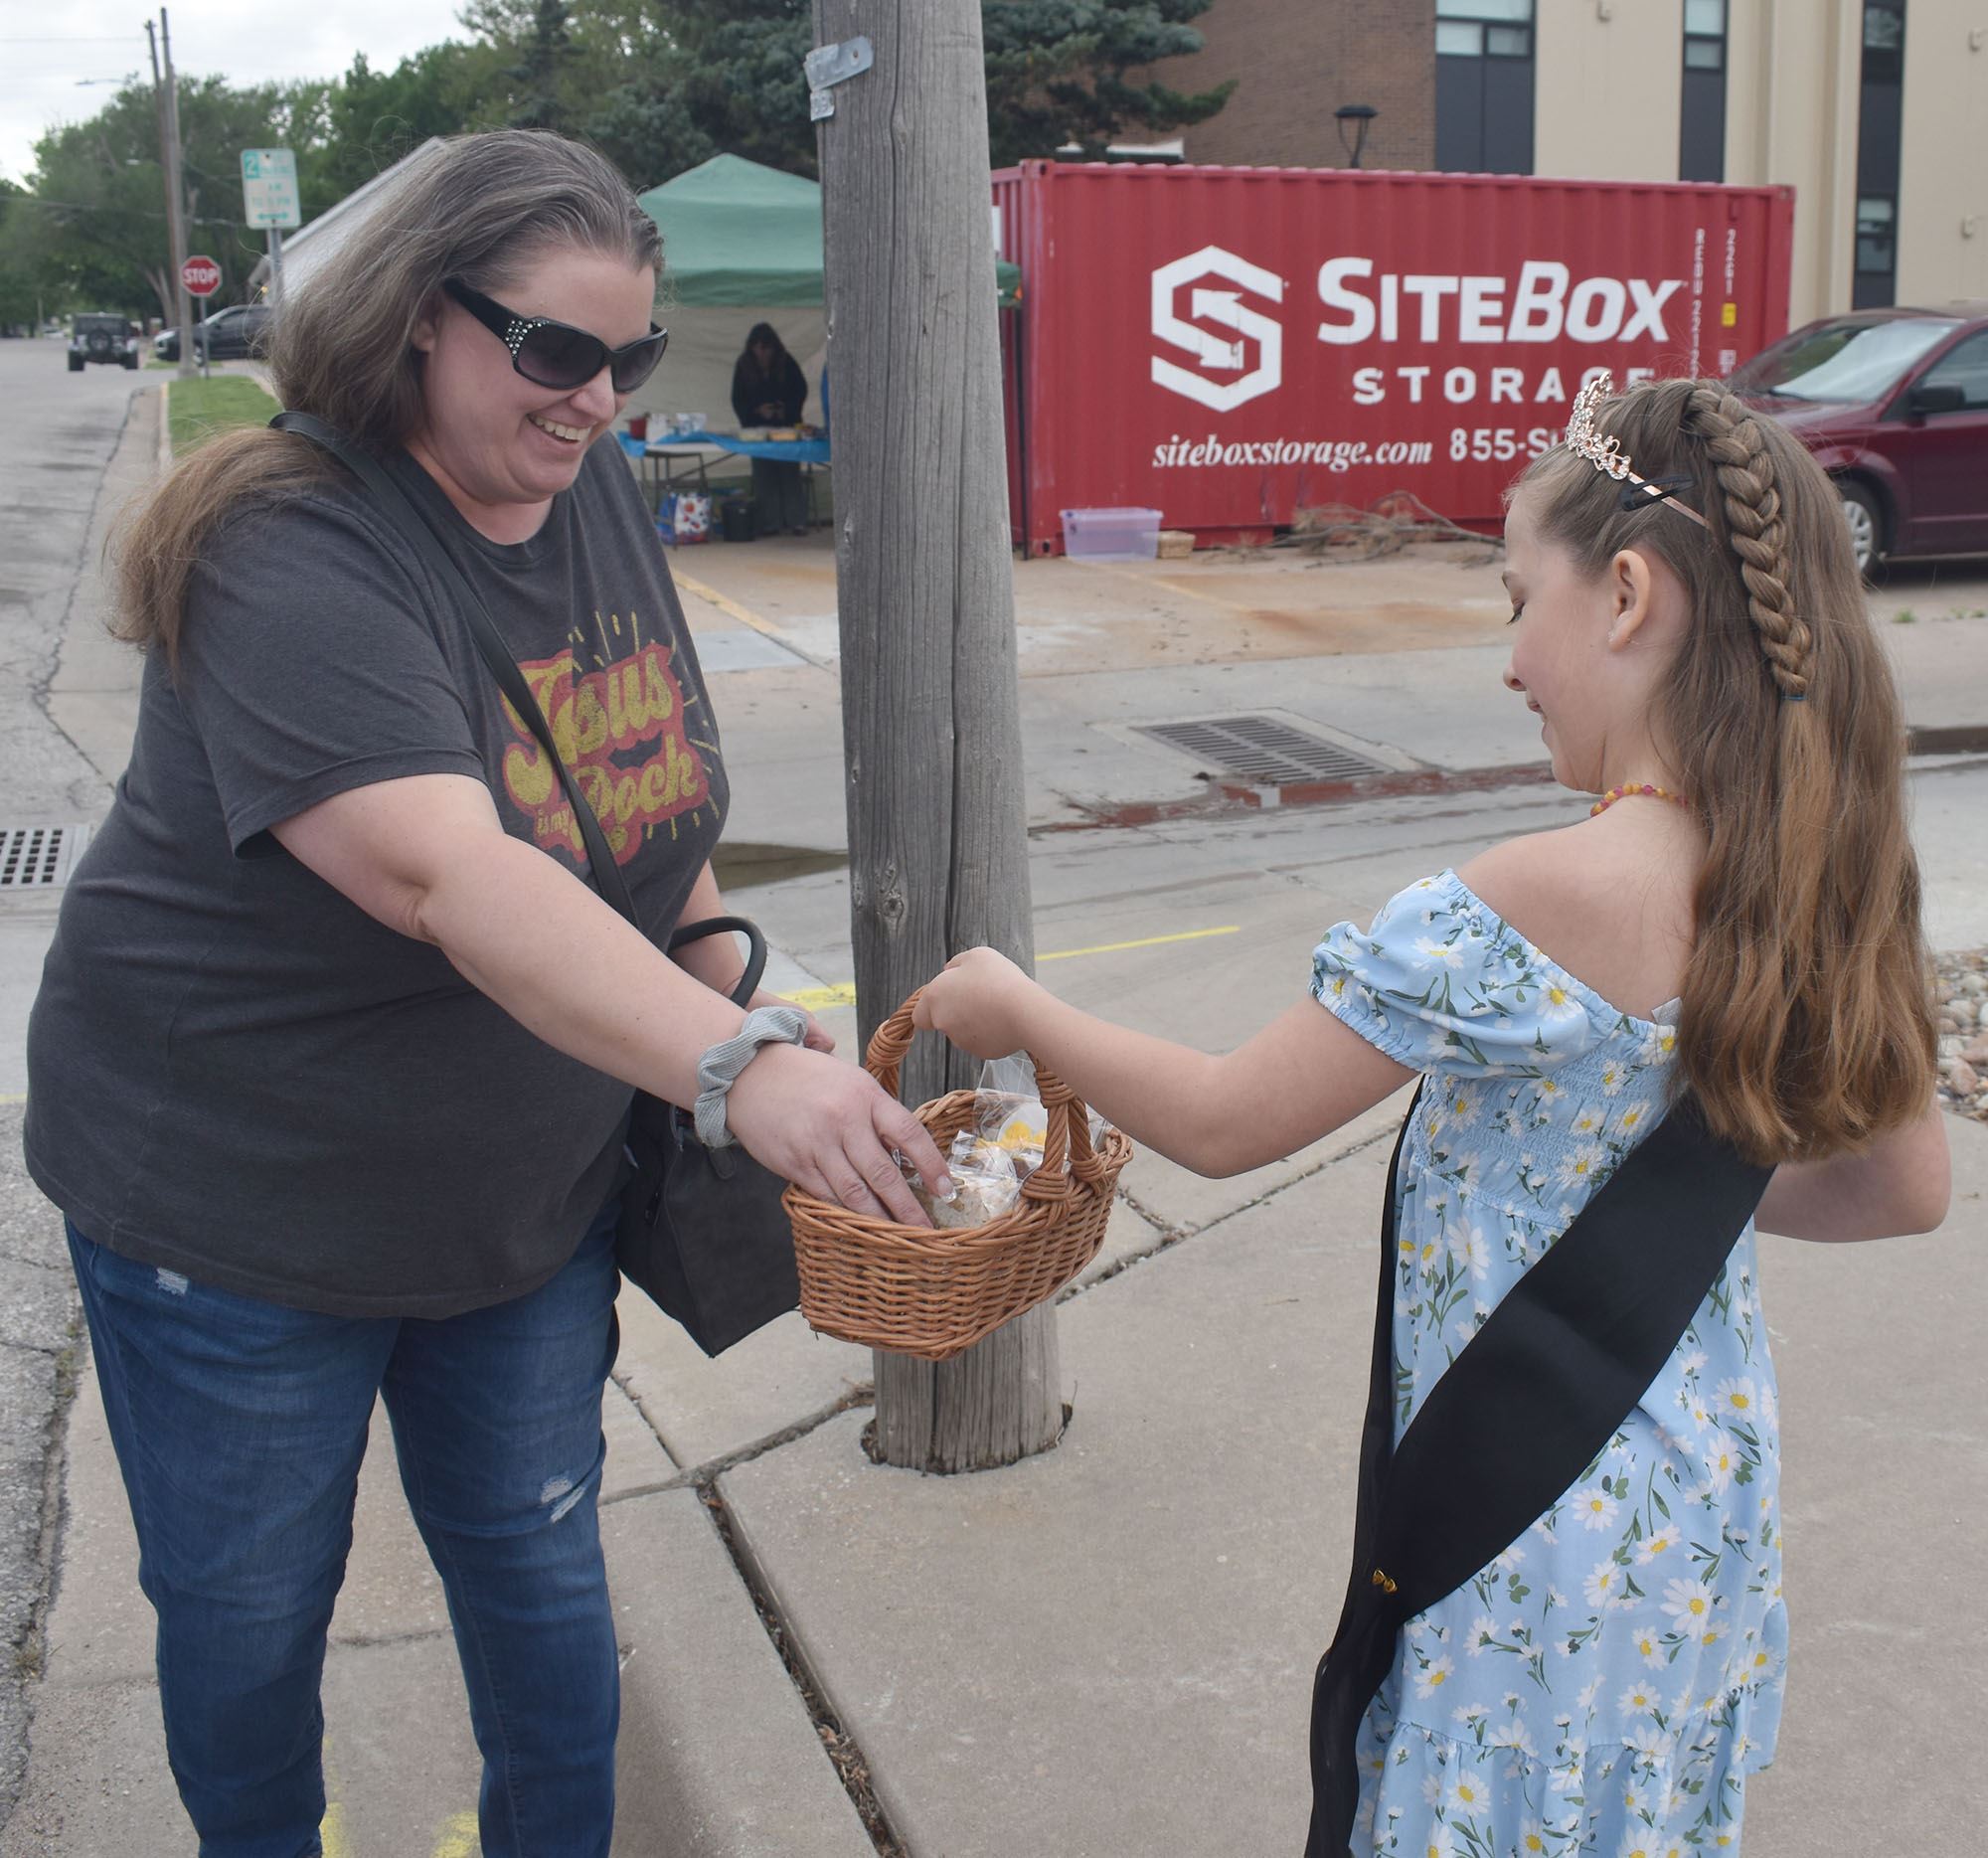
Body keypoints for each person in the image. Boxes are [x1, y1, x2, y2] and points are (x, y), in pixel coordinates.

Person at [24, 129, 950, 1858]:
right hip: (237, 1202)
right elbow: (453, 873)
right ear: (409, 322)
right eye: (551, 349)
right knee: (246, 1613)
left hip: (516, 1193)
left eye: (627, 358)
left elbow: (642, 787)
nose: (596, 398)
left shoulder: (585, 480)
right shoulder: (285, 549)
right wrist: (736, 1063)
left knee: (532, 1553)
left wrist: (719, 979)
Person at [915, 375, 1951, 1857]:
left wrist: (1022, 1009)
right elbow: (1904, 1186)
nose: (1512, 657)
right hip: (1696, 1512)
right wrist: (1646, 1188)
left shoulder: (1540, 896)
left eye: (1519, 597)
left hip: (1530, 1519)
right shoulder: (1805, 863)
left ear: (1629, 597)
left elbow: (1221, 1119)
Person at [730, 321, 811, 536]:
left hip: (785, 430)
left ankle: (797, 521)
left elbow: (800, 390)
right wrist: (757, 412)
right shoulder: (744, 365)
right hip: (757, 432)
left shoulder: (786, 362)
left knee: (790, 475)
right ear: (751, 348)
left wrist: (786, 410)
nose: (762, 353)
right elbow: (738, 399)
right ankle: (770, 523)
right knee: (764, 476)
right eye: (757, 348)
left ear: (774, 347)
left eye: (766, 348)